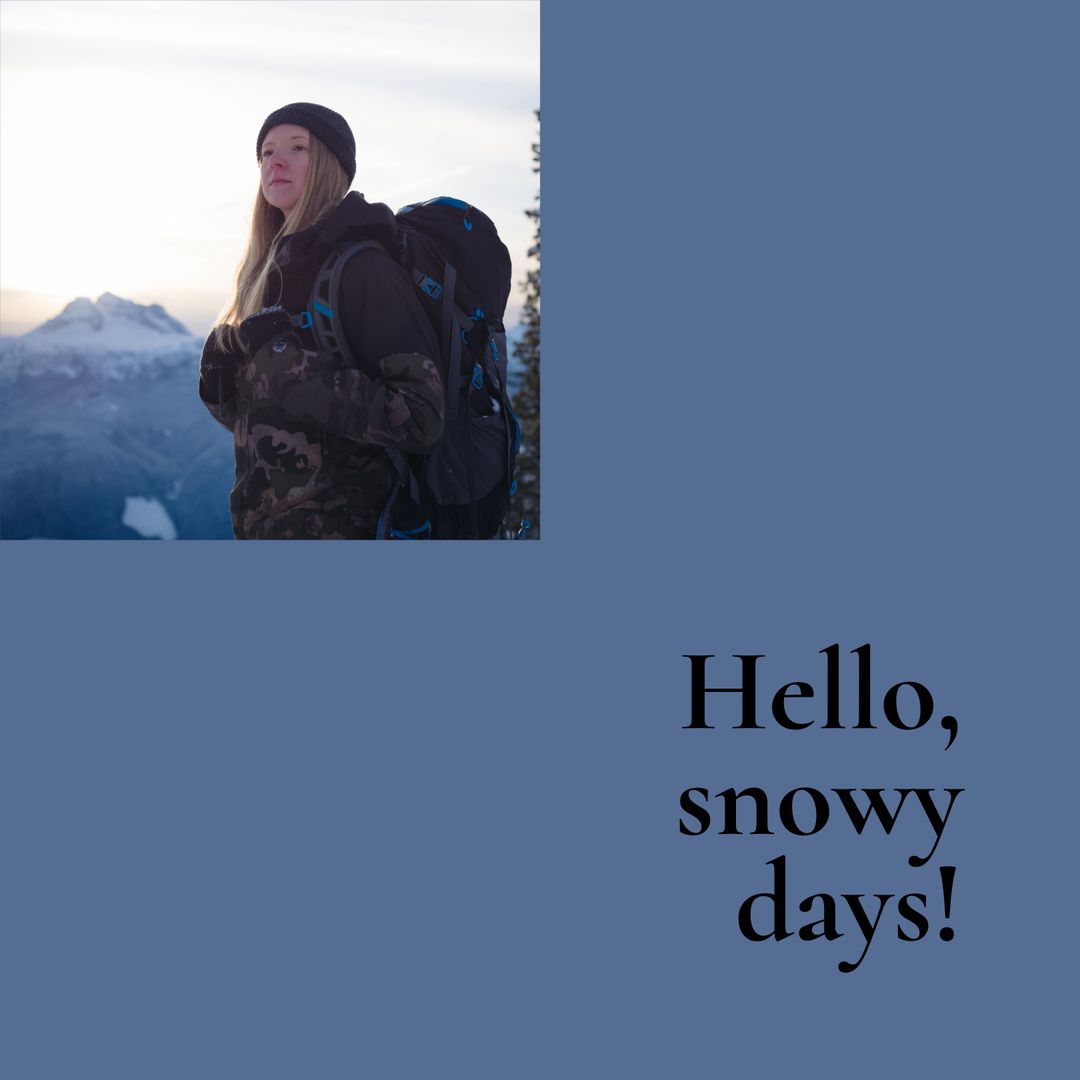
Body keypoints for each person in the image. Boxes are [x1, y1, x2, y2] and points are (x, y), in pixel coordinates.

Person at [199, 102, 444, 540]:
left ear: (331, 166)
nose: (275, 160)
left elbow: (420, 418)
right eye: (266, 152)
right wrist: (223, 392)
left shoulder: (363, 269)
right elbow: (290, 421)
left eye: (298, 148)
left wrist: (281, 361)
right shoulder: (269, 273)